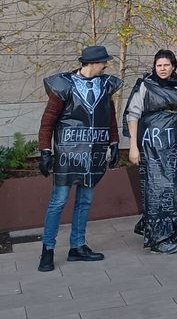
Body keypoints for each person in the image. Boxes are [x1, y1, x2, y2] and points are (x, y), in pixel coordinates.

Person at [36, 46, 124, 272]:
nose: (105, 66)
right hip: (67, 153)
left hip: (93, 153)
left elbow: (110, 117)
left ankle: (77, 246)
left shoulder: (105, 86)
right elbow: (48, 121)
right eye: (103, 62)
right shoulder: (64, 85)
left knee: (84, 201)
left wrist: (114, 143)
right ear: (92, 63)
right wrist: (45, 150)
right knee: (59, 201)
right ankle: (48, 249)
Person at [124, 50, 177, 255]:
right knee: (157, 191)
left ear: (173, 66)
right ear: (154, 66)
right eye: (159, 65)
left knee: (175, 189)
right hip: (152, 147)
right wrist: (133, 146)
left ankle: (170, 230)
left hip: (176, 145)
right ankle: (157, 238)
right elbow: (133, 114)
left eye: (166, 65)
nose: (162, 69)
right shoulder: (145, 86)